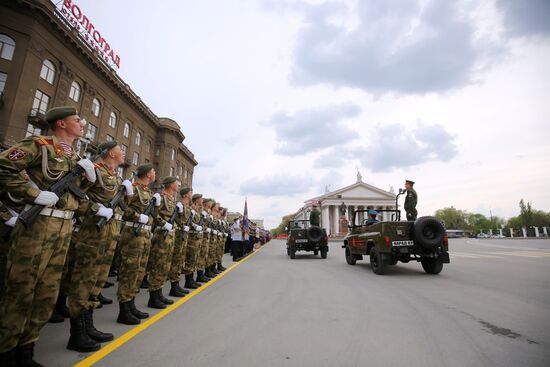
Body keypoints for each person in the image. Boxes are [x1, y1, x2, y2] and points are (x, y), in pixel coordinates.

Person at [0, 106, 96, 366]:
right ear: (61, 124)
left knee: (46, 294)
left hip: (63, 228)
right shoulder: (38, 145)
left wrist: (86, 179)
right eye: (77, 120)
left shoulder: (73, 155)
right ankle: (7, 352)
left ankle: (26, 352)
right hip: (38, 226)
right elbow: (3, 167)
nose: (82, 124)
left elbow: (72, 193)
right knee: (21, 291)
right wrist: (32, 195)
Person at [64, 140, 132, 352]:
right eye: (121, 150)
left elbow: (121, 208)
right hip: (91, 234)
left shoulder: (115, 176)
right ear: (111, 153)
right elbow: (73, 196)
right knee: (84, 281)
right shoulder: (92, 170)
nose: (123, 154)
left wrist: (128, 196)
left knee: (97, 282)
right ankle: (76, 334)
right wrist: (95, 209)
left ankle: (88, 326)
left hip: (108, 235)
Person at [116, 163, 158, 325]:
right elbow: (121, 208)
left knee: (139, 271)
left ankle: (131, 304)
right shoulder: (133, 188)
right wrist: (137, 217)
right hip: (133, 233)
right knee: (130, 270)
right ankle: (124, 310)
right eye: (153, 171)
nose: (154, 173)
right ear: (148, 174)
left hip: (145, 234)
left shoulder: (148, 191)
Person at [147, 176, 179, 309]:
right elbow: (154, 214)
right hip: (161, 234)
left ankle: (159, 293)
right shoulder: (161, 197)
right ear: (171, 185)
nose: (178, 185)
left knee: (165, 266)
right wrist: (164, 223)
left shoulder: (172, 199)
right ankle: (153, 297)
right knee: (158, 265)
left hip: (170, 236)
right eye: (176, 183)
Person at [168, 186, 192, 297]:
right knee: (176, 259)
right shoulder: (179, 205)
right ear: (185, 195)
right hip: (178, 235)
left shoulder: (187, 206)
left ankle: (176, 285)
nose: (191, 194)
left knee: (180, 260)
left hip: (183, 235)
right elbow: (174, 219)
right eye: (190, 192)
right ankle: (173, 286)